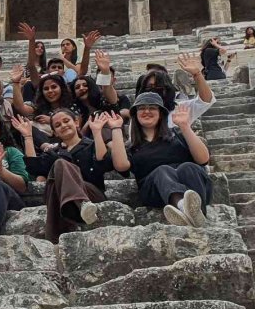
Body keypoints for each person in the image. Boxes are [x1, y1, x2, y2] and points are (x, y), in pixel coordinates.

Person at [14, 110, 123, 242]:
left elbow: (103, 164)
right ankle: (76, 208)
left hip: (91, 195)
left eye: (66, 121)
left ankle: (56, 233)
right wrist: (28, 137)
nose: (63, 126)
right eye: (58, 125)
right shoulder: (54, 152)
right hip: (63, 202)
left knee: (60, 164)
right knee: (56, 175)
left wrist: (96, 132)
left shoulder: (91, 144)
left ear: (76, 122)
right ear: (54, 132)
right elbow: (34, 167)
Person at [111, 92, 212, 228]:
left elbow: (203, 159)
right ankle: (183, 206)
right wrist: (116, 128)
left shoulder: (176, 134)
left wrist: (185, 126)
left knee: (188, 167)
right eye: (141, 108)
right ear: (135, 115)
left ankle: (196, 212)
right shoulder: (132, 147)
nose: (147, 111)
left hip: (192, 184)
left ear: (161, 114)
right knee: (162, 170)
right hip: (155, 189)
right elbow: (121, 166)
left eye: (152, 107)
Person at [134, 53, 216, 126]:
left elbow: (205, 101)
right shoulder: (140, 115)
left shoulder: (180, 110)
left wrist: (197, 74)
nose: (153, 91)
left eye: (158, 86)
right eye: (149, 87)